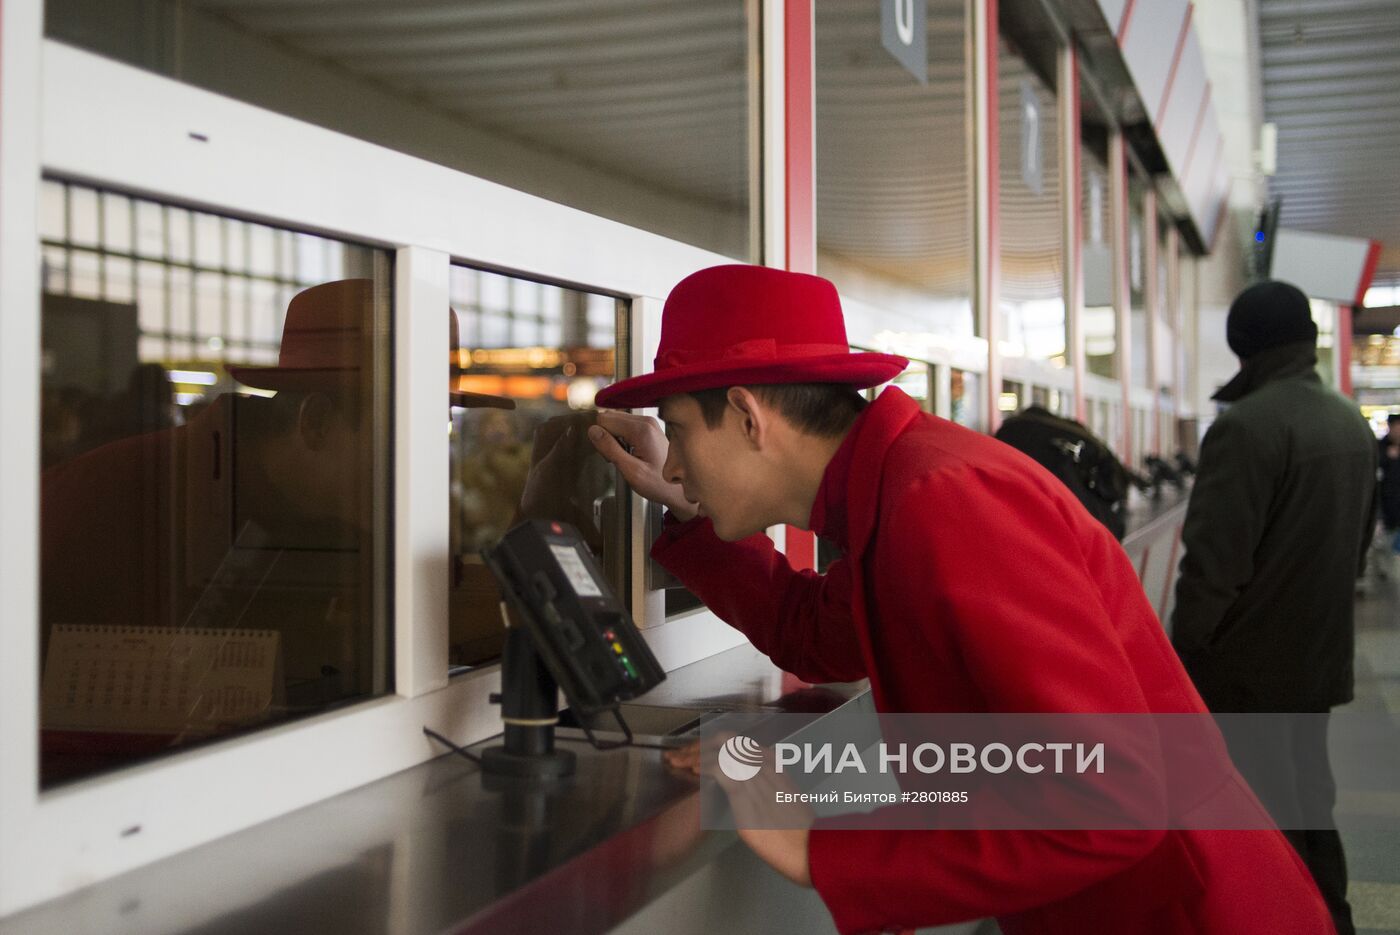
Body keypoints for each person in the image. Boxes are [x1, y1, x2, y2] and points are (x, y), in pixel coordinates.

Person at [587, 264, 1334, 934]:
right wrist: (687, 505)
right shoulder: (898, 491)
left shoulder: (945, 500)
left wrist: (814, 844)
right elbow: (815, 631)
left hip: (1186, 908)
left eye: (679, 432)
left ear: (750, 418)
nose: (677, 462)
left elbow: (1110, 791)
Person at [1171, 280, 1377, 935]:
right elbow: (1357, 546)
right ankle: (1331, 917)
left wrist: (1181, 660)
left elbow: (1212, 568)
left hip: (1247, 673)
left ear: (1244, 345)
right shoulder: (1349, 422)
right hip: (1317, 658)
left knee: (1260, 818)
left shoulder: (1245, 428)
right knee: (1313, 805)